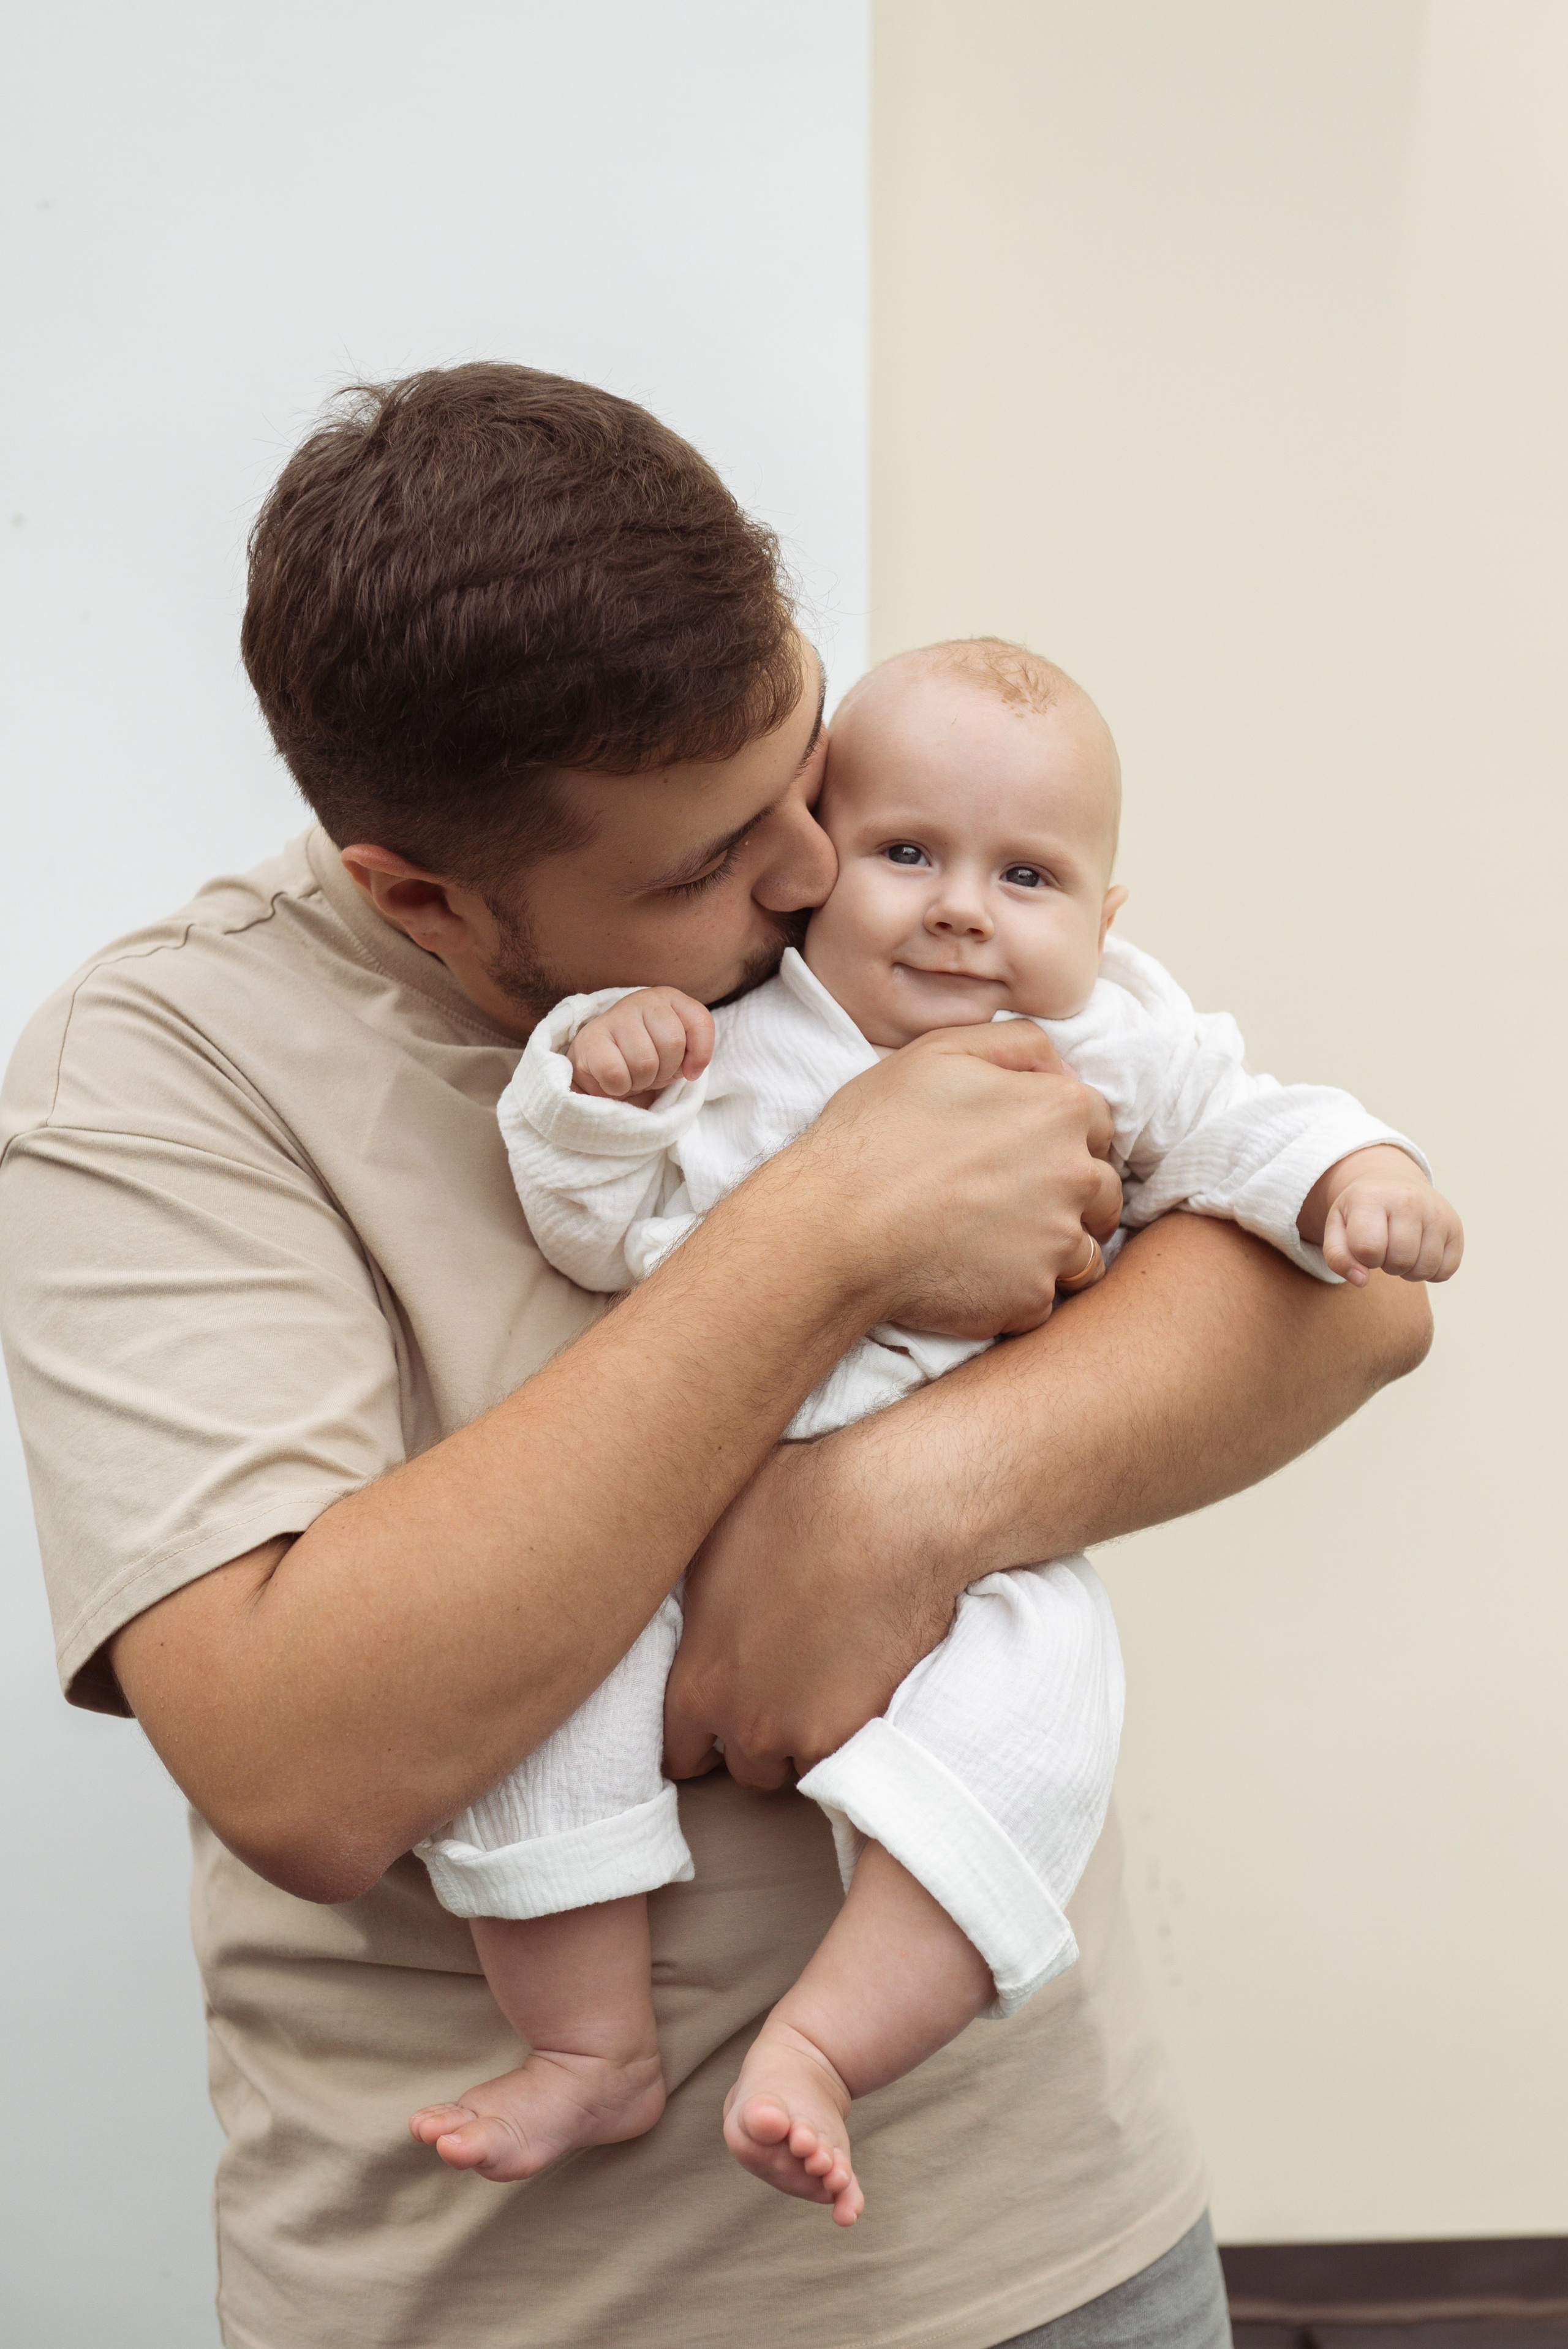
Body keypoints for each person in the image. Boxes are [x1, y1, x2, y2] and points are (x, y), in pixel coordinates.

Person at [0, 364, 1434, 2349]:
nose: (804, 880)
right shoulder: (154, 1084)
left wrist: (897, 1507)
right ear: (417, 890)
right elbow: (302, 1762)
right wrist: (827, 1230)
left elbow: (1347, 1300)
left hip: (1061, 2243)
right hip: (520, 2305)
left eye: (802, 776)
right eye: (702, 864)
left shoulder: (874, 899)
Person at [406, 637, 1461, 2226]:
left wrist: (1352, 1176)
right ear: (814, 865)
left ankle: (825, 2045)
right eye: (908, 853)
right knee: (526, 1686)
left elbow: (1254, 1121)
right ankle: (587, 2038)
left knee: (1036, 1721)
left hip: (982, 1546)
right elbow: (597, 1227)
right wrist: (598, 1094)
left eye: (1027, 874)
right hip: (677, 1510)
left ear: (1105, 921)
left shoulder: (1116, 1040)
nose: (963, 905)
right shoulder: (733, 1035)